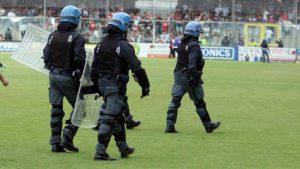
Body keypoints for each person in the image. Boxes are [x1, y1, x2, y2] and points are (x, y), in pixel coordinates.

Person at [90, 12, 150, 160]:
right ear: (123, 28)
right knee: (109, 117)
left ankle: (123, 147)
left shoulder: (100, 44)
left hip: (103, 84)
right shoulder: (123, 45)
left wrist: (97, 87)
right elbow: (137, 68)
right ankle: (100, 151)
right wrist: (145, 86)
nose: (130, 30)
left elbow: (93, 69)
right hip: (114, 86)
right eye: (129, 27)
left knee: (118, 117)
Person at [43, 5, 86, 153]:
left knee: (56, 109)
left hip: (52, 76)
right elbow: (80, 59)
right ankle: (67, 137)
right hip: (67, 77)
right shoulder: (77, 37)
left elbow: (46, 55)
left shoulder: (53, 35)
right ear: (76, 20)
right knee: (80, 108)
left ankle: (55, 143)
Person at [164, 21, 220, 134]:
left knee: (175, 99)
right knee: (199, 101)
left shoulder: (181, 44)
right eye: (198, 32)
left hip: (178, 75)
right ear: (195, 32)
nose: (199, 34)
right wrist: (196, 77)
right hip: (188, 76)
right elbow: (191, 65)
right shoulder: (194, 45)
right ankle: (208, 125)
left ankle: (169, 125)